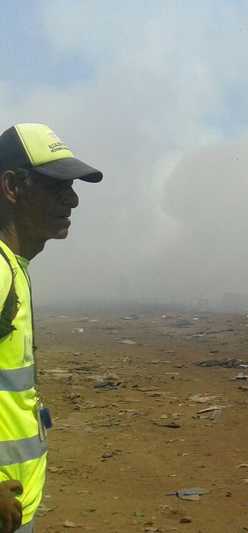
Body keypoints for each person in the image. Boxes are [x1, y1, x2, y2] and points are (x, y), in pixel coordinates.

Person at [0, 123, 103, 532]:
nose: (72, 199)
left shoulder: (14, 266)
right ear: (12, 187)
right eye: (57, 186)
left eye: (72, 186)